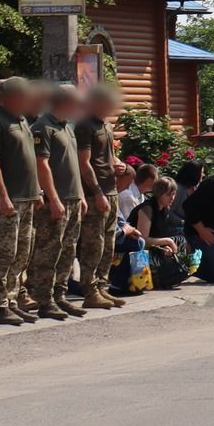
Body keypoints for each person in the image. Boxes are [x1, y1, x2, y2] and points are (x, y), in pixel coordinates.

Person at [0, 78, 42, 325]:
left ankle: (10, 301)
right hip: (4, 201)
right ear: (13, 96)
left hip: (25, 199)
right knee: (2, 254)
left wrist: (37, 192)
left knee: (21, 253)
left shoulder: (22, 121)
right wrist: (2, 196)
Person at [30, 83, 86, 319]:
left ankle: (59, 296)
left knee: (67, 250)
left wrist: (81, 194)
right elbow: (41, 164)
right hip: (57, 200)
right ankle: (44, 300)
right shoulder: (43, 127)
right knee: (49, 250)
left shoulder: (67, 127)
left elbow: (74, 166)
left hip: (73, 199)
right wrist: (52, 198)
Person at [74, 84, 126, 307]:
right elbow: (83, 162)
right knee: (93, 244)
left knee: (108, 244)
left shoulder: (106, 125)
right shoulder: (84, 125)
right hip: (96, 193)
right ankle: (89, 291)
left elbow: (109, 157)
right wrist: (96, 193)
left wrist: (118, 164)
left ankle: (102, 287)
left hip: (111, 190)